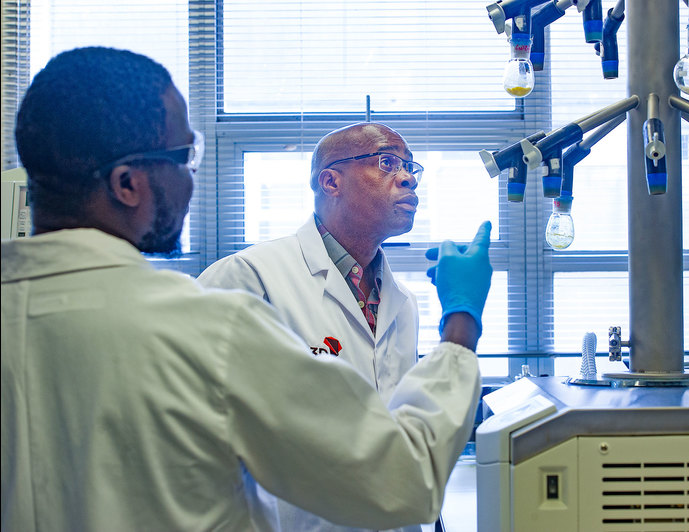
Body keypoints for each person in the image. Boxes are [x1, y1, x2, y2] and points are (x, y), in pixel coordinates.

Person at [1, 46, 493, 531]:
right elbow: (400, 479)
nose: (193, 179)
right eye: (185, 156)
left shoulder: (399, 302)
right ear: (127, 183)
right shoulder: (223, 309)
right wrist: (462, 324)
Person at [198, 123, 427, 532]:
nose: (408, 177)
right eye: (388, 162)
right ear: (331, 181)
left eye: (410, 166)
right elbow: (190, 426)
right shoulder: (251, 277)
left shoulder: (402, 304)